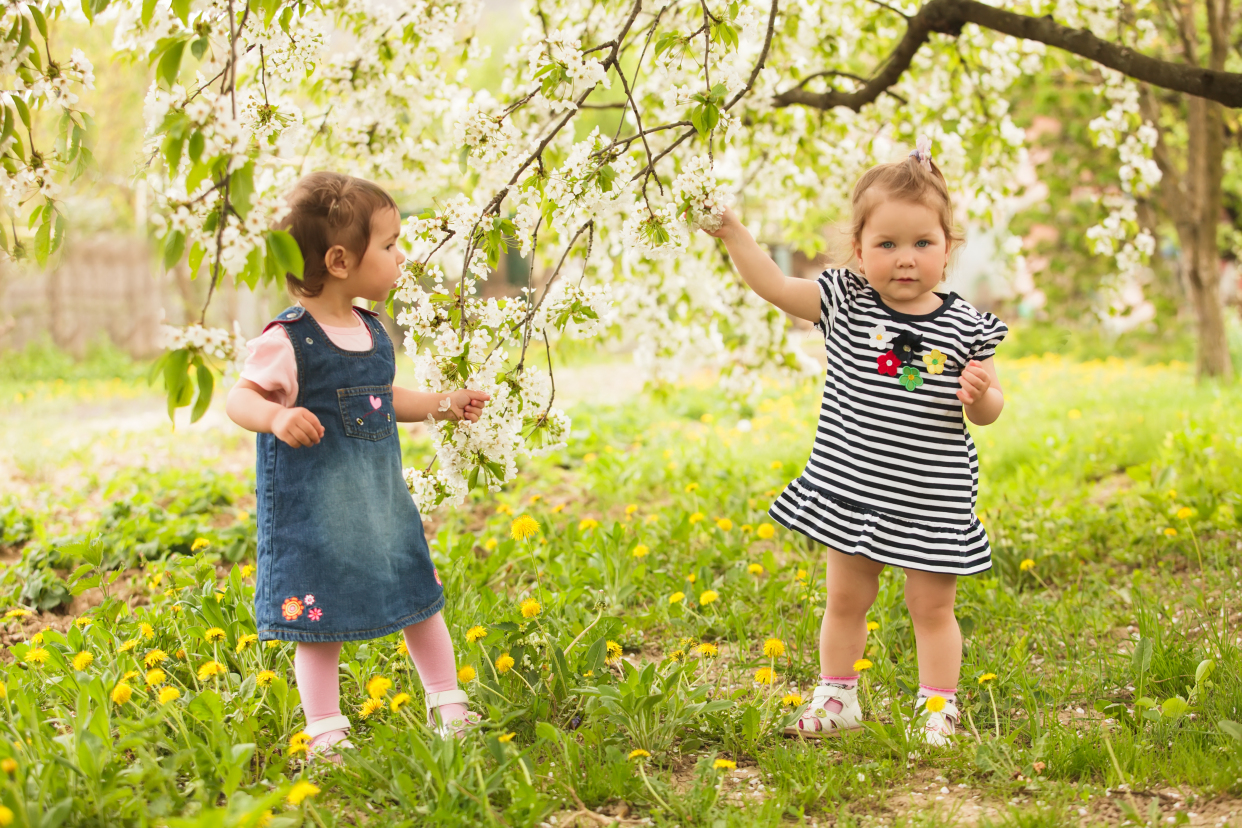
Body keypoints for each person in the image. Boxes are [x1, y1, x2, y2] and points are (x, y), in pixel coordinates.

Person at [703, 138, 1007, 744]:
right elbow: (773, 285)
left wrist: (980, 397)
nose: (905, 259)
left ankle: (937, 708)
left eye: (923, 243)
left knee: (932, 608)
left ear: (947, 250)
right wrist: (734, 232)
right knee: (845, 599)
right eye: (886, 244)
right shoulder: (845, 301)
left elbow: (992, 409)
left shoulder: (967, 323)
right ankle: (838, 695)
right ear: (858, 250)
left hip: (932, 498)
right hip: (854, 490)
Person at [226, 172, 491, 760]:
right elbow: (239, 398)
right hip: (315, 519)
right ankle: (325, 727)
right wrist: (273, 419)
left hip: (379, 505)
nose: (401, 257)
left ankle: (447, 702)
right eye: (391, 245)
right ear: (341, 260)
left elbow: (382, 399)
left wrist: (443, 405)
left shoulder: (371, 331)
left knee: (419, 597)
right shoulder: (287, 340)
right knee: (318, 625)